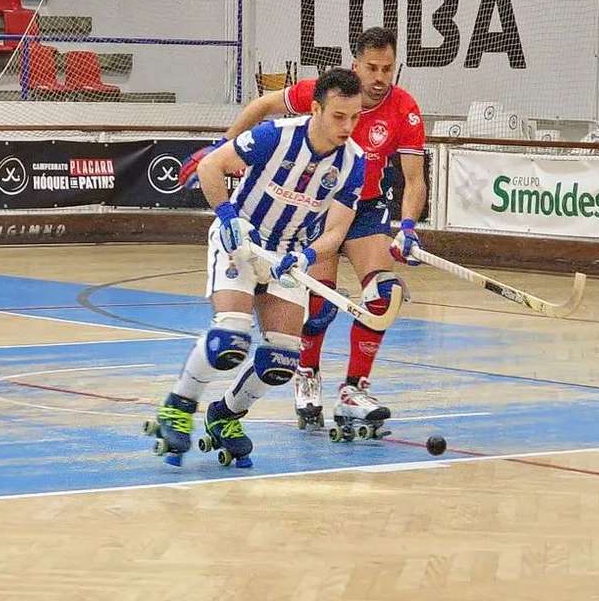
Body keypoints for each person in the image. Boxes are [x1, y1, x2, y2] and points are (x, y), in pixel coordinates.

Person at [180, 26, 425, 432]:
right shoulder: (322, 93)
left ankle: (353, 391)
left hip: (363, 210)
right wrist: (222, 145)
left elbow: (414, 179)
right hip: (315, 208)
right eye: (372, 67)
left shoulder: (404, 108)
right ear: (355, 64)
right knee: (320, 304)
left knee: (384, 293)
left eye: (388, 68)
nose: (380, 78)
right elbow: (262, 105)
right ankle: (306, 375)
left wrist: (410, 226)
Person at [148, 69, 367, 467]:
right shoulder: (276, 136)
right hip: (243, 243)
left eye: (356, 117)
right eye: (339, 116)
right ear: (316, 109)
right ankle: (178, 405)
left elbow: (336, 230)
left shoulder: (354, 162)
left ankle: (225, 416)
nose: (348, 127)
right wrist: (228, 215)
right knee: (229, 340)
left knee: (282, 362)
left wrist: (307, 257)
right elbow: (211, 166)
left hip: (288, 254)